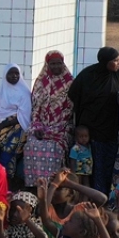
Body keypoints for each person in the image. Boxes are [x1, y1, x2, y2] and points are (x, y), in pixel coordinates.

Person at [68, 46, 119, 193]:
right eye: (115, 60)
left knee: (109, 164)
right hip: (91, 131)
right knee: (93, 166)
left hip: (112, 129)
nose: (118, 63)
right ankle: (94, 195)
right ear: (105, 62)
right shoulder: (88, 75)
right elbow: (73, 94)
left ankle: (107, 195)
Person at [22, 51, 75, 186]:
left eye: (59, 63)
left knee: (56, 146)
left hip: (62, 126)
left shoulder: (70, 82)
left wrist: (56, 128)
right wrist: (38, 126)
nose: (56, 66)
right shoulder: (41, 82)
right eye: (52, 64)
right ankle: (36, 185)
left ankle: (56, 184)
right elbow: (36, 108)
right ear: (47, 65)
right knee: (31, 145)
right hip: (43, 125)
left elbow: (71, 110)